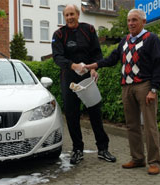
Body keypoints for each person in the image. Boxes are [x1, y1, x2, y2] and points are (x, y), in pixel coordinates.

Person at [84, 9, 160, 175]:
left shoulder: (151, 39)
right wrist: (95, 65)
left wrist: (154, 89)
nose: (131, 23)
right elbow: (112, 58)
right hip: (126, 87)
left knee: (150, 126)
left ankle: (154, 162)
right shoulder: (125, 40)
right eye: (129, 20)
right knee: (132, 125)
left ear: (143, 21)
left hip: (145, 86)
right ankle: (137, 158)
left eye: (134, 20)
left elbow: (159, 65)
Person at [51, 4, 116, 165]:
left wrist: (94, 68)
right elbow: (57, 57)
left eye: (72, 14)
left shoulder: (89, 30)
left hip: (88, 78)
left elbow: (97, 52)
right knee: (72, 116)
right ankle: (77, 150)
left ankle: (102, 149)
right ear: (64, 17)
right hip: (69, 79)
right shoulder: (59, 34)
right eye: (66, 15)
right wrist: (73, 65)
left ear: (78, 14)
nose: (69, 17)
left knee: (95, 113)